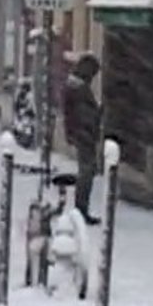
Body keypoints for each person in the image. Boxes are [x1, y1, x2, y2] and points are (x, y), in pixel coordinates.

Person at [62, 52, 102, 225]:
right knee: (87, 171)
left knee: (86, 171)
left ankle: (81, 208)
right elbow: (85, 115)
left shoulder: (74, 86)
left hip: (80, 133)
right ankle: (81, 209)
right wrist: (98, 114)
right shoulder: (79, 89)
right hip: (84, 134)